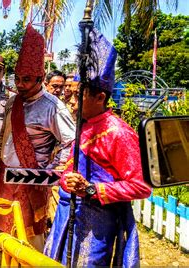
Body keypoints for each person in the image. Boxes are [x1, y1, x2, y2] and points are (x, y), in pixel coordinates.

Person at [44, 29, 152, 267]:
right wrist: (65, 179)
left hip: (95, 225)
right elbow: (70, 169)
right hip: (65, 216)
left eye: (77, 96)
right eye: (70, 95)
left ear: (100, 96)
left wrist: (92, 189)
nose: (71, 102)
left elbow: (141, 186)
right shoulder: (83, 125)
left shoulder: (118, 133)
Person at [0, 24, 75, 252]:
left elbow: (71, 142)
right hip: (6, 177)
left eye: (26, 79)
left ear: (41, 78)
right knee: (2, 233)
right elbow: (3, 139)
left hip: (32, 181)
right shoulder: (13, 101)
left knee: (29, 237)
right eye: (17, 78)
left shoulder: (54, 107)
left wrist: (49, 172)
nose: (20, 84)